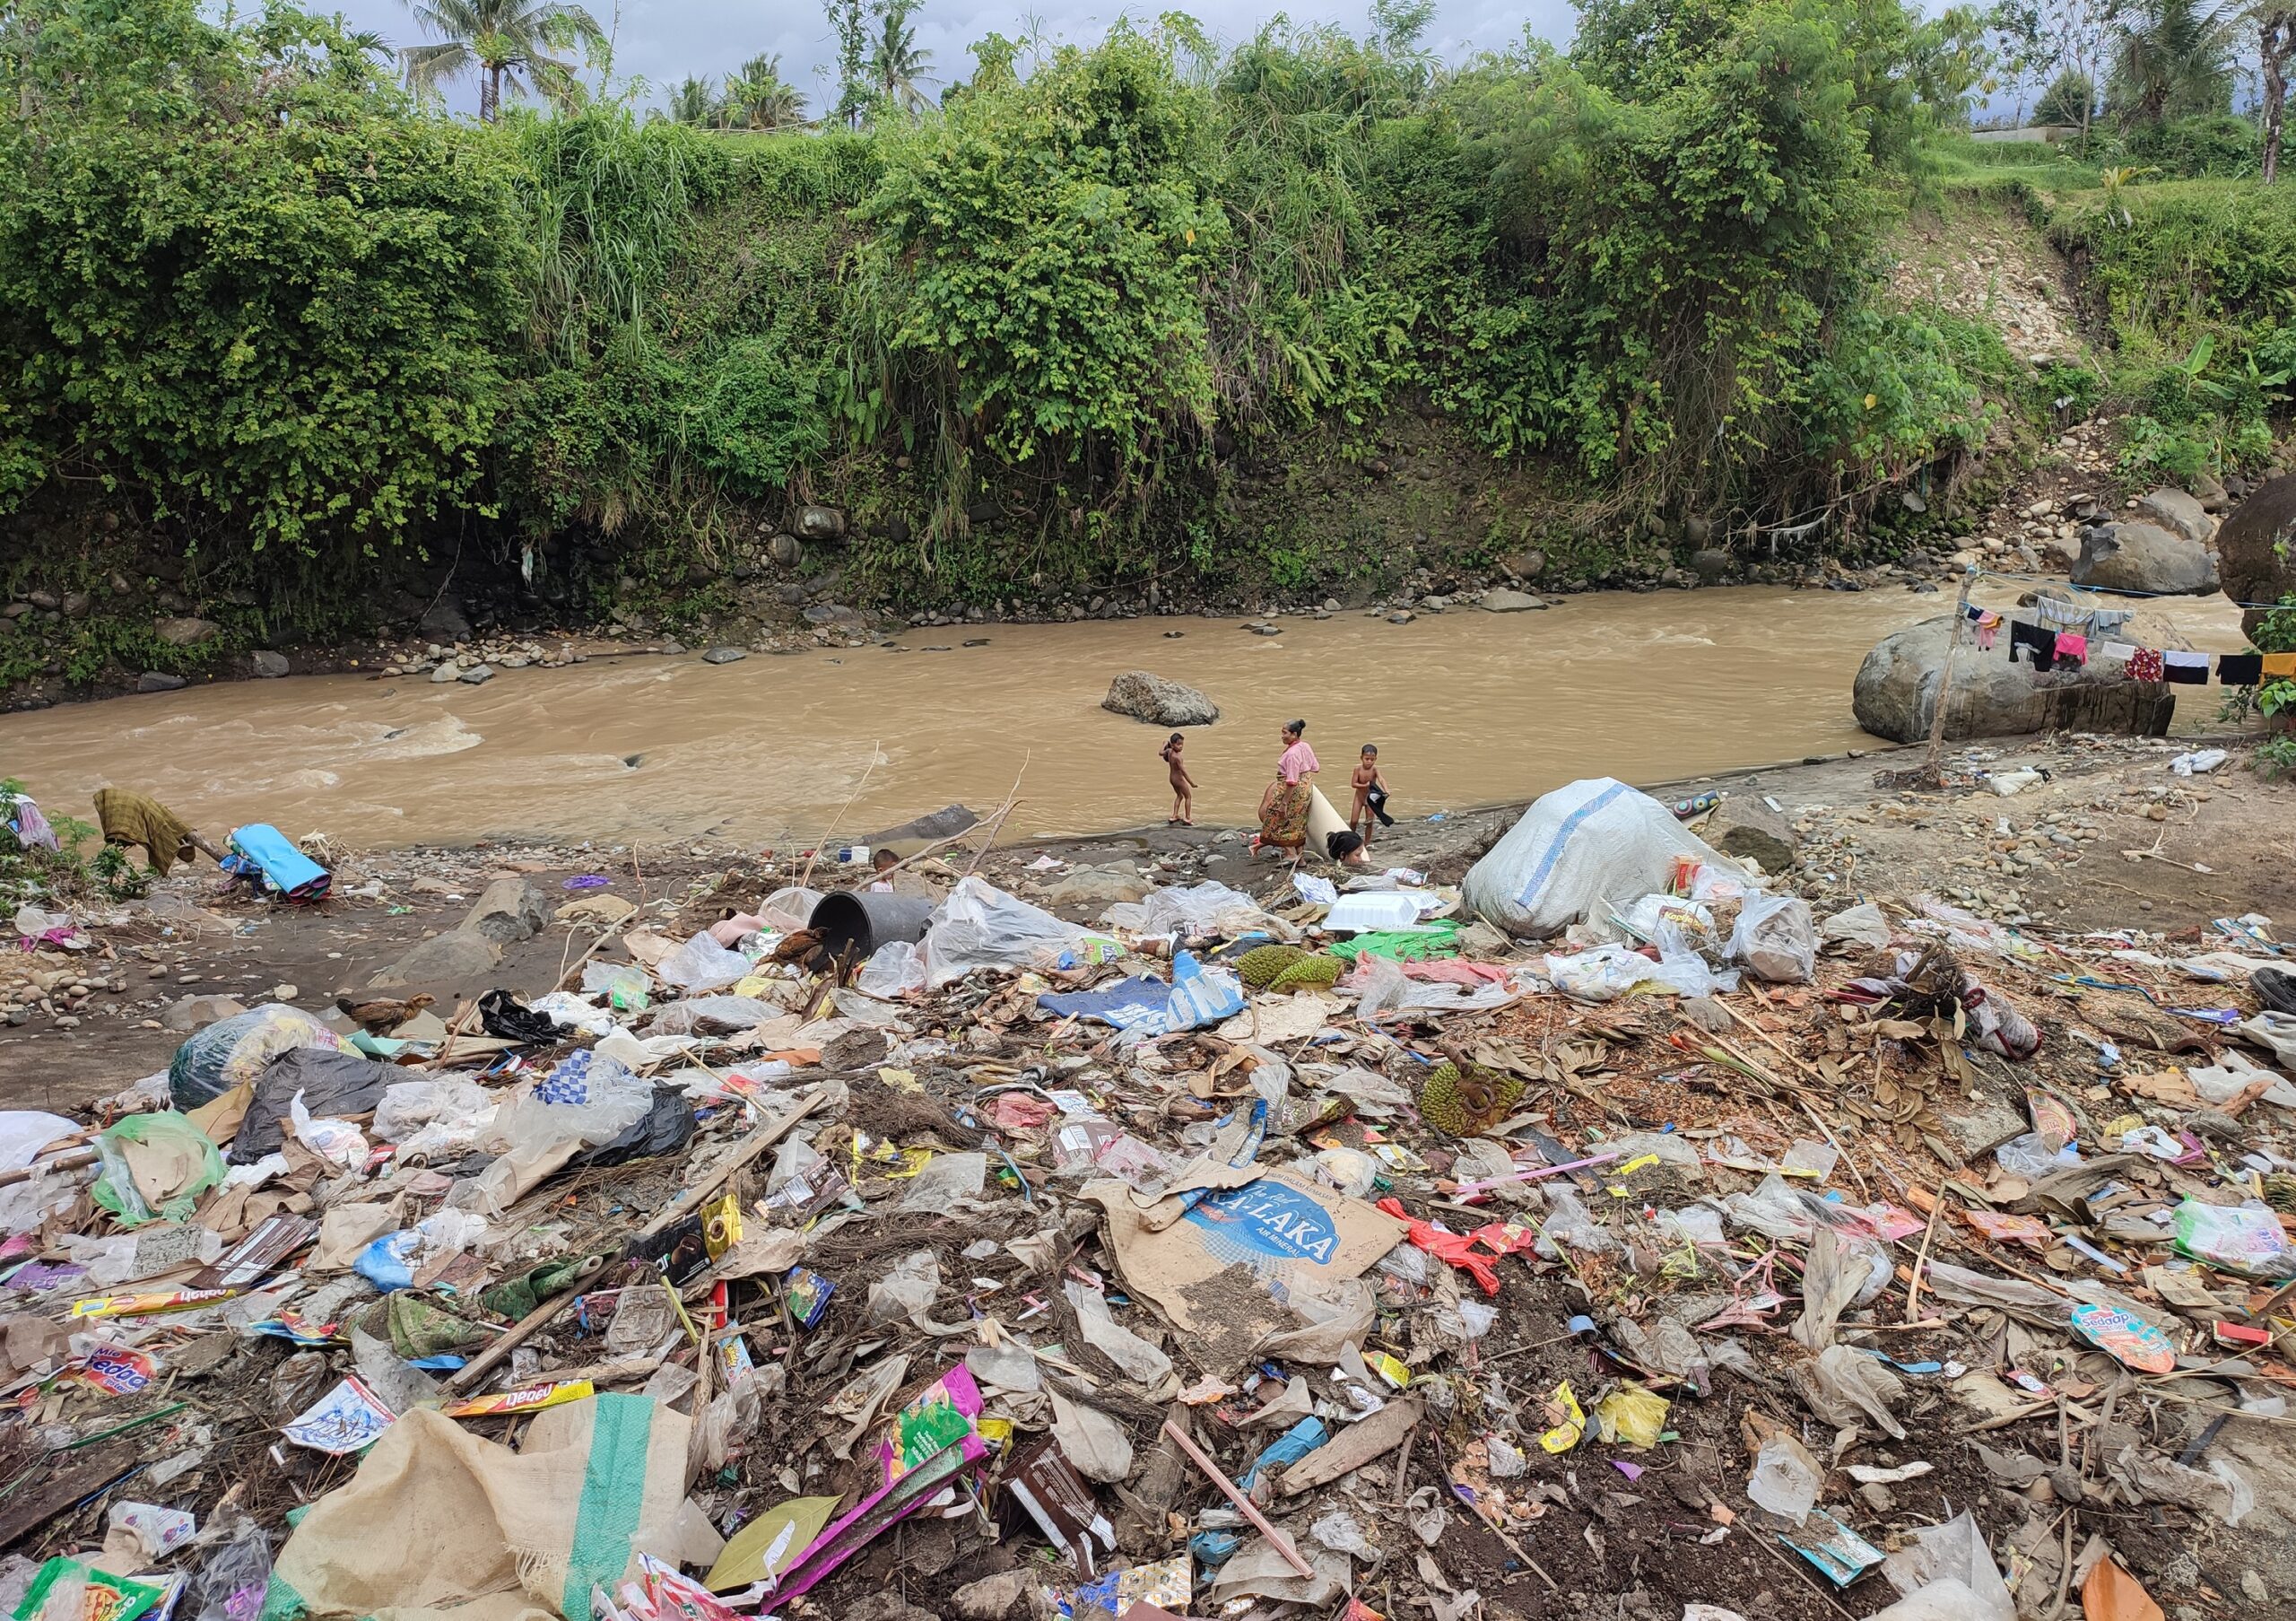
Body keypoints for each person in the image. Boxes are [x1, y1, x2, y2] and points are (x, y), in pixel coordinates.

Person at [1255, 719, 1318, 859]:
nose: (1282, 736)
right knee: (1298, 824)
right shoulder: (1305, 746)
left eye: (1284, 733)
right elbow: (1315, 767)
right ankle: (1300, 859)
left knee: (1273, 819)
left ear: (1294, 734)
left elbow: (1291, 781)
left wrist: (1284, 803)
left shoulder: (1292, 754)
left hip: (1292, 791)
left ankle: (1290, 854)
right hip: (1306, 787)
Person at [1349, 744, 1390, 848]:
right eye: (1367, 759)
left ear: (1375, 759)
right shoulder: (1358, 769)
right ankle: (1351, 838)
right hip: (1359, 797)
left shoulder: (1375, 769)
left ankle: (1367, 843)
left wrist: (1386, 790)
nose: (1369, 762)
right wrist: (1365, 785)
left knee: (1369, 822)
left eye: (1372, 760)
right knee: (1354, 821)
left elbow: (1381, 779)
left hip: (1371, 798)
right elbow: (1353, 784)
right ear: (1361, 758)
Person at [1160, 732, 1196, 826]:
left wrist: (1164, 744)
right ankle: (1187, 817)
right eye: (1178, 744)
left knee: (1179, 796)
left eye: (1182, 744)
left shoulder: (1169, 751)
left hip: (1172, 778)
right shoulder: (1178, 757)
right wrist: (1191, 783)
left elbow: (1160, 753)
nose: (1180, 746)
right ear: (1172, 744)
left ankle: (1174, 815)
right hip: (1179, 780)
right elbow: (1183, 771)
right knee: (1188, 797)